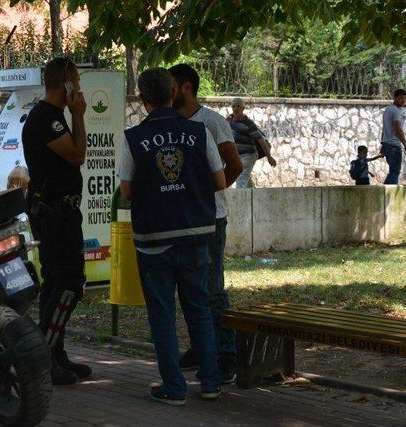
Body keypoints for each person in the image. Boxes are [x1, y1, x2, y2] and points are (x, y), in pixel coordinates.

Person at [119, 67, 225, 406]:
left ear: (143, 99)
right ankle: (211, 383)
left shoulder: (132, 138)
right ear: (172, 94)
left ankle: (174, 389)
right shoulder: (198, 131)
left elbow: (126, 192)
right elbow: (220, 181)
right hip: (197, 234)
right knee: (200, 309)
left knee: (162, 316)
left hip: (154, 241)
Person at [169, 64, 243, 384]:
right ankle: (200, 348)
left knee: (212, 289)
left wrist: (208, 193)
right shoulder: (169, 123)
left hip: (211, 220)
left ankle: (226, 356)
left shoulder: (212, 122)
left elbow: (235, 165)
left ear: (186, 88)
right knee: (188, 288)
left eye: (171, 86)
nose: (166, 91)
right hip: (181, 220)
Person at [21, 57, 91, 385]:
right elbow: (78, 154)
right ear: (64, 84)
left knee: (56, 283)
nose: (79, 88)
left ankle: (54, 352)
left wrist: (73, 115)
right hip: (54, 214)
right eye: (75, 81)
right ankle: (44, 357)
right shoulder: (47, 118)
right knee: (68, 285)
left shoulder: (53, 117)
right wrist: (78, 115)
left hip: (59, 212)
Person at [227, 97, 277, 188]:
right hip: (237, 156)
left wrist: (269, 157)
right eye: (233, 106)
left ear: (243, 108)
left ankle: (240, 200)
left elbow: (261, 141)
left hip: (248, 155)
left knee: (241, 178)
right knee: (246, 179)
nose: (235, 109)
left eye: (238, 106)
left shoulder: (249, 124)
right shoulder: (229, 120)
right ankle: (254, 194)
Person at [380, 89, 406, 184]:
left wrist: (383, 145)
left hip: (387, 145)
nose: (403, 100)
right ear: (395, 98)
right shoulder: (396, 111)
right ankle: (390, 196)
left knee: (392, 172)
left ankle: (384, 194)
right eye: (400, 98)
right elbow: (398, 129)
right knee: (394, 172)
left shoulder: (388, 109)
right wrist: (405, 144)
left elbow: (384, 128)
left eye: (404, 98)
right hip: (394, 146)